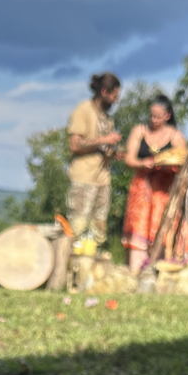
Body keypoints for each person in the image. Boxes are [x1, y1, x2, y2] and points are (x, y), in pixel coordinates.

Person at [121, 95, 187, 273]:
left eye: (158, 116)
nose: (153, 120)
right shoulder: (140, 131)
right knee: (139, 227)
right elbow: (129, 158)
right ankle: (136, 270)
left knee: (164, 227)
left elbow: (183, 162)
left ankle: (163, 269)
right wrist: (142, 164)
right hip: (141, 190)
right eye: (151, 115)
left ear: (167, 116)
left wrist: (166, 165)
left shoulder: (175, 136)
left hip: (164, 191)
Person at [66, 73, 121, 246]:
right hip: (84, 179)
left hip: (102, 179)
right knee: (77, 228)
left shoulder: (107, 119)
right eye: (114, 96)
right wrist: (102, 140)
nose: (115, 100)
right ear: (104, 91)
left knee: (98, 231)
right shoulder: (84, 110)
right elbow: (74, 145)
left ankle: (93, 269)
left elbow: (101, 149)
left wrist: (114, 153)